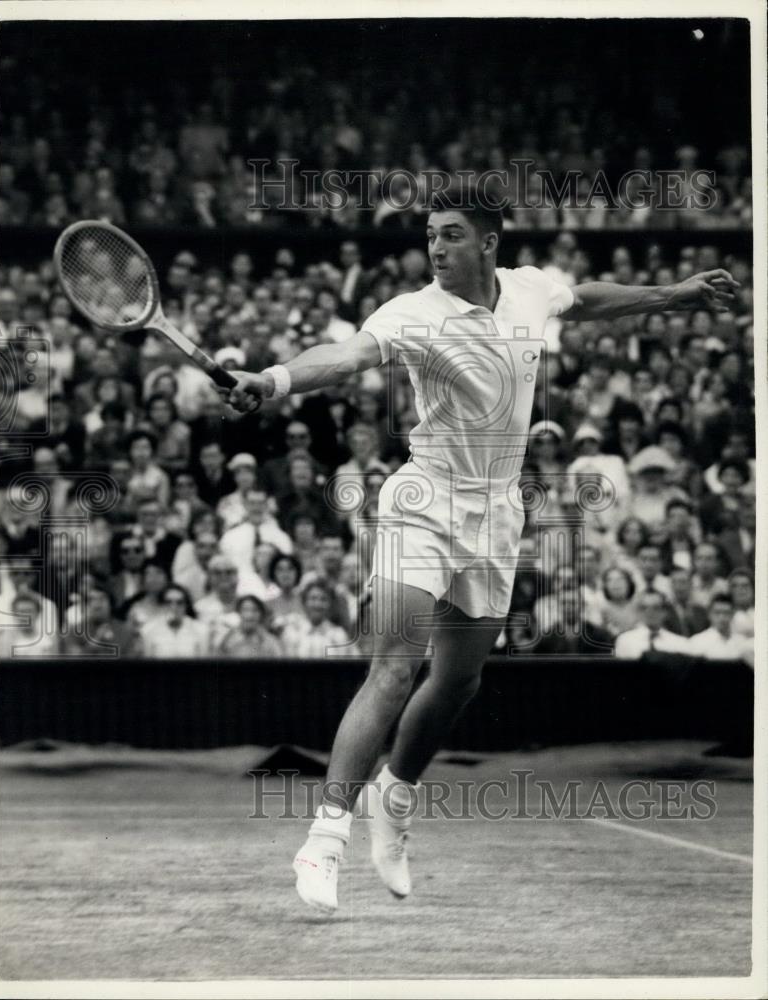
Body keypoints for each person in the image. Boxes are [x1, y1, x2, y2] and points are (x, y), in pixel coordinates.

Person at [224, 184, 740, 914]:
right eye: (430, 234)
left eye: (451, 234)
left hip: (498, 512)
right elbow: (345, 357)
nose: (435, 246)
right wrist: (273, 380)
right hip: (423, 501)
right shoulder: (414, 313)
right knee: (394, 669)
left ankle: (393, 801)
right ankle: (324, 838)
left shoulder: (529, 291)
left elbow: (584, 299)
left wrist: (673, 294)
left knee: (460, 682)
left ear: (488, 242)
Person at [613, 590, 690, 659]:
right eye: (644, 608)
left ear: (665, 612)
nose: (650, 612)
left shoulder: (679, 643)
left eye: (656, 607)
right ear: (639, 611)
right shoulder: (625, 640)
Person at [687, 595, 753, 666]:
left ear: (732, 614)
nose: (722, 617)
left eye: (726, 613)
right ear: (709, 614)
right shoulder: (697, 641)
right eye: (717, 613)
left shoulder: (741, 642)